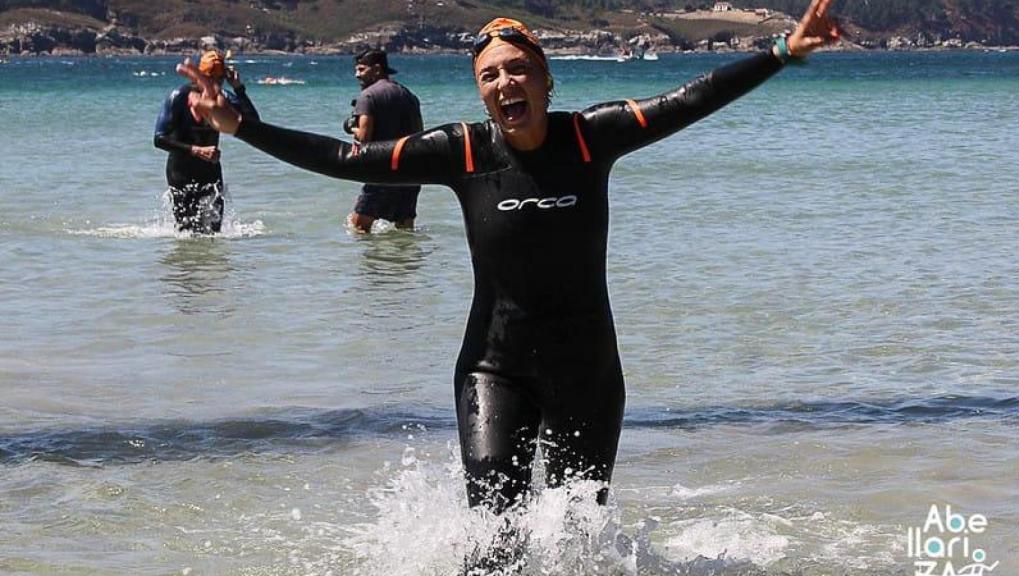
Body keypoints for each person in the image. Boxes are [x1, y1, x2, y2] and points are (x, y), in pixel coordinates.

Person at [178, 0, 840, 513]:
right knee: (495, 540)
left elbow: (691, 100)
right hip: (493, 369)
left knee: (577, 536)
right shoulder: (463, 151)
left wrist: (782, 51)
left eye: (517, 69)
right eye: (489, 76)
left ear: (546, 79)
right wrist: (242, 126)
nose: (504, 82)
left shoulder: (590, 138)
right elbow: (348, 158)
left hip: (587, 371)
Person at [154, 49, 259, 234]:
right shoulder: (179, 97)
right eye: (211, 78)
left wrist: (238, 88)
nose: (215, 84)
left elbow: (254, 125)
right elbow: (159, 139)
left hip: (210, 172)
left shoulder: (224, 99)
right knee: (187, 234)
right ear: (199, 76)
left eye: (220, 79)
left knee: (214, 235)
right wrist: (197, 150)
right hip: (181, 172)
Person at [342, 49, 424, 232]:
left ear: (377, 69)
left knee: (358, 226)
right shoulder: (408, 95)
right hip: (412, 170)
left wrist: (351, 128)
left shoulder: (368, 96)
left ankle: (368, 254)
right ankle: (405, 253)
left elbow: (364, 138)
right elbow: (419, 132)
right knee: (405, 227)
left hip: (382, 169)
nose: (357, 75)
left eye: (361, 69)